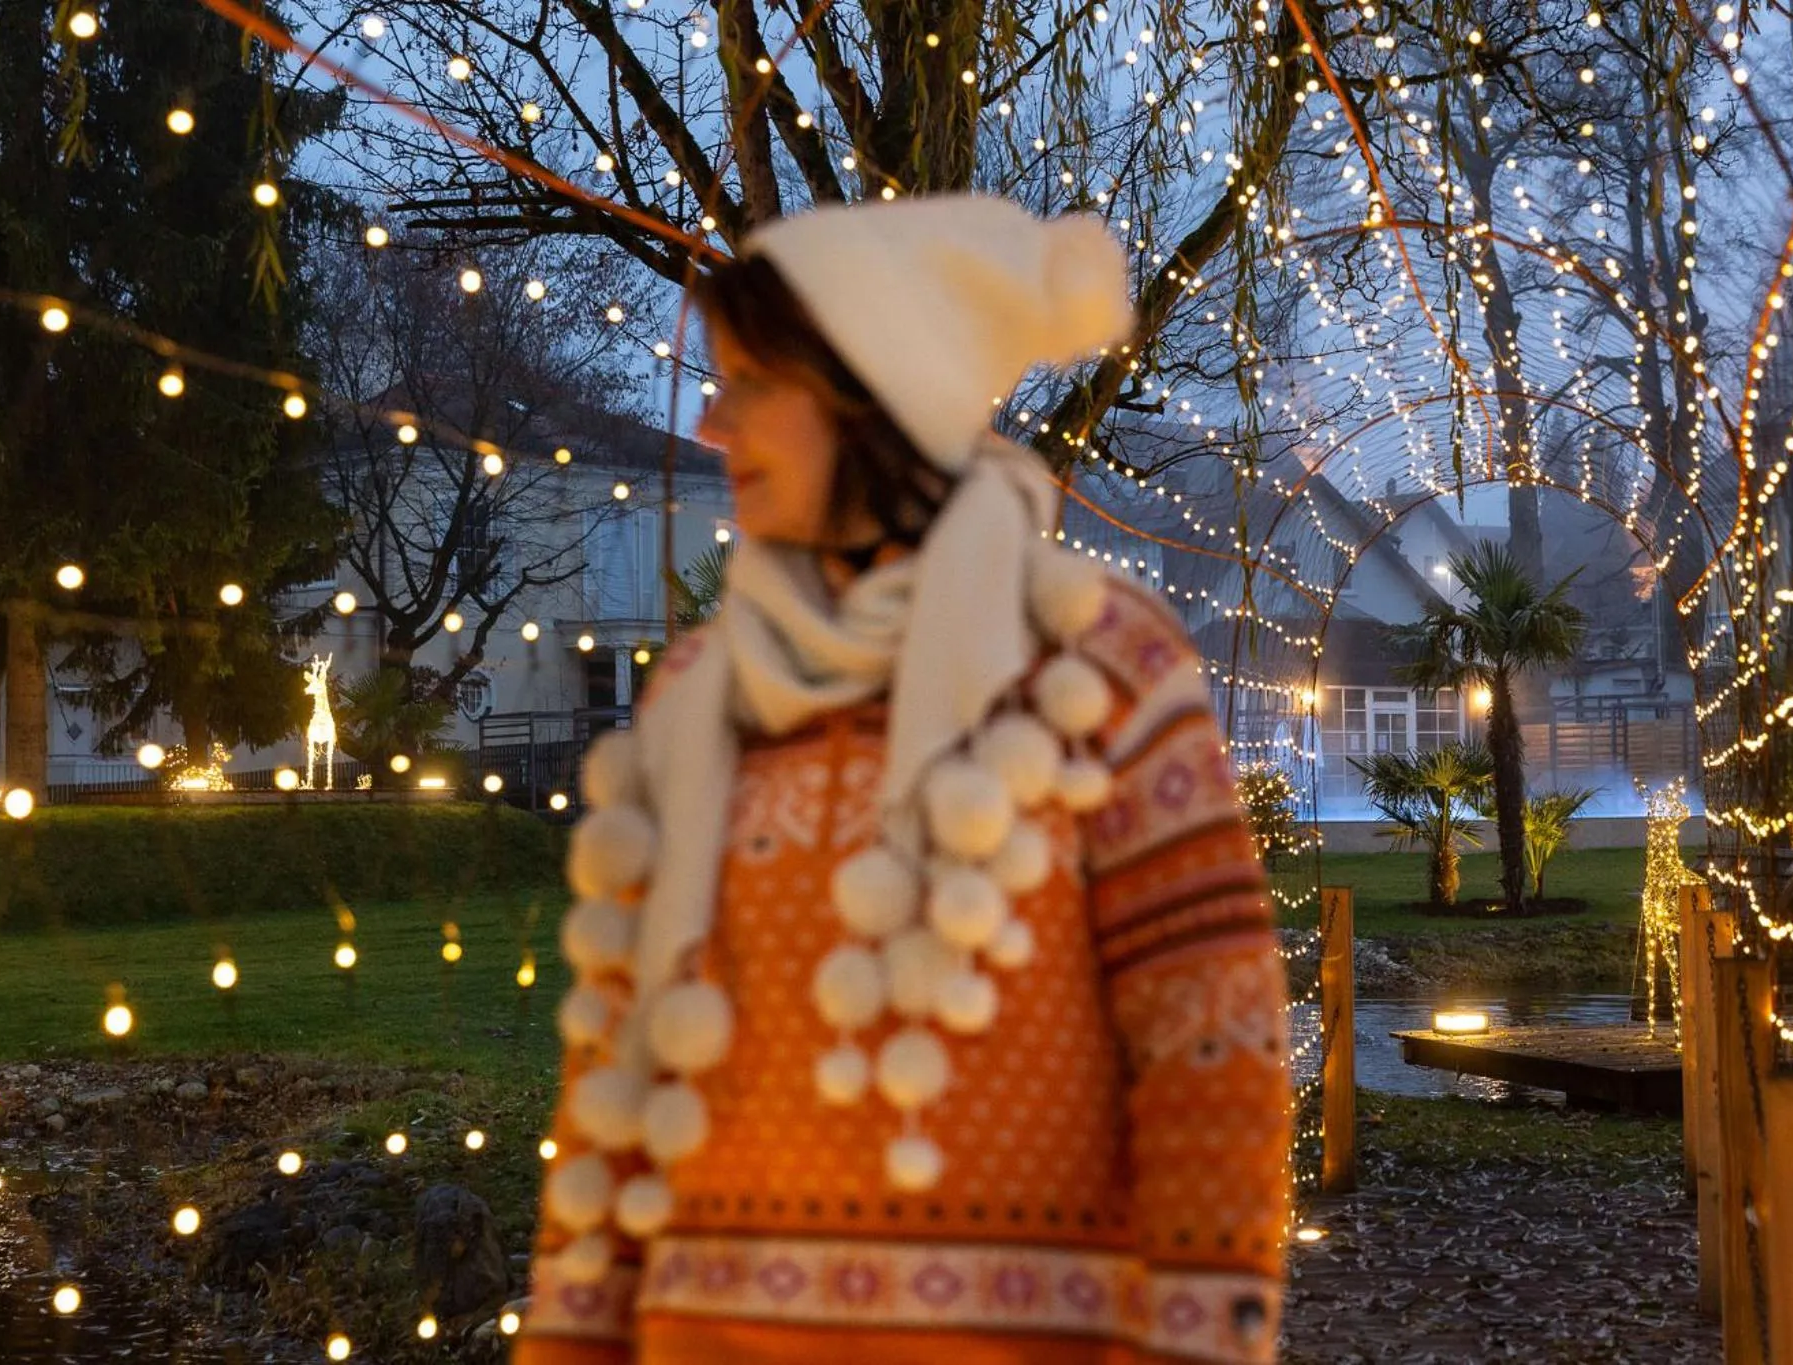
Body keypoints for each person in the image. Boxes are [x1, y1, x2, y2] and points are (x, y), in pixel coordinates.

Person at [517, 195, 1290, 1365]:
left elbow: (1211, 1056)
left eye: (751, 385)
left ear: (878, 398)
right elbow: (608, 1084)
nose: (714, 428)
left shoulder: (1098, 671)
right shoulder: (692, 699)